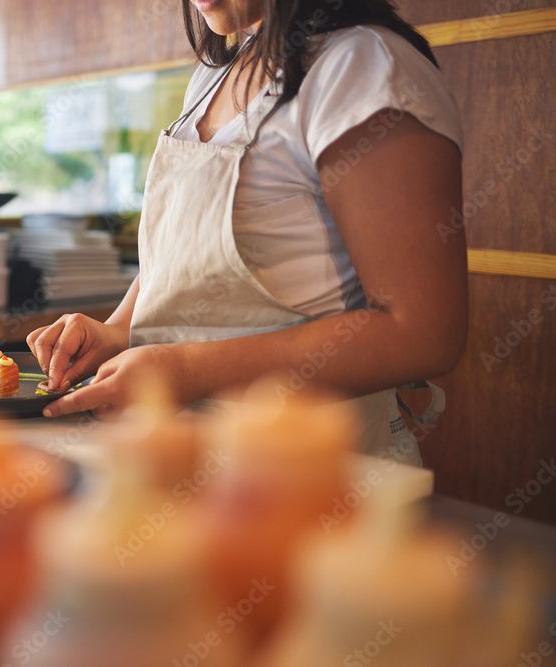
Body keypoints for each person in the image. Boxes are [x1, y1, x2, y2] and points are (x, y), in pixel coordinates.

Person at [27, 0, 466, 464]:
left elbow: (424, 334)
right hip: (187, 466)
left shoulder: (365, 69)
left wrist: (184, 369)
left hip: (316, 479)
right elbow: (194, 252)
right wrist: (116, 331)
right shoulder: (215, 75)